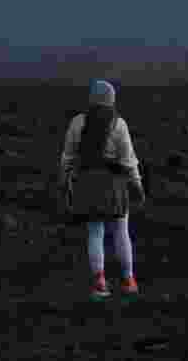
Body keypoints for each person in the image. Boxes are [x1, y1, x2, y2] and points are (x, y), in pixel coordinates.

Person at [58, 79, 146, 301]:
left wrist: (65, 182)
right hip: (115, 185)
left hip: (87, 183)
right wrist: (137, 185)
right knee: (121, 231)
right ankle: (128, 280)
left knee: (95, 232)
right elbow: (128, 161)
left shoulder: (77, 123)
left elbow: (68, 158)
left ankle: (99, 282)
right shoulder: (119, 124)